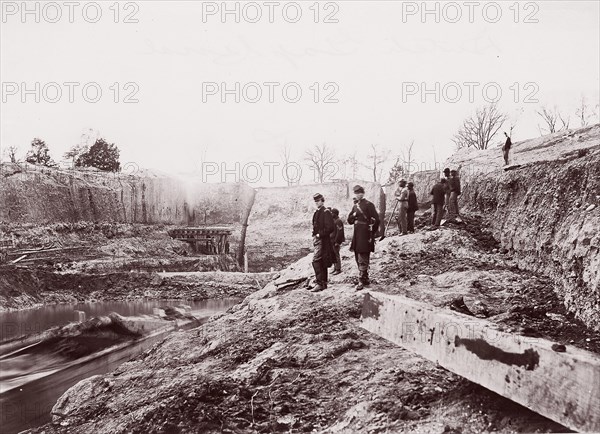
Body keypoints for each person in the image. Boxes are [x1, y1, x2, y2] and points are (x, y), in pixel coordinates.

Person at [347, 185, 380, 291]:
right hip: (357, 234)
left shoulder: (369, 205)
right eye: (356, 193)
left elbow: (377, 219)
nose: (358, 195)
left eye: (360, 193)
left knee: (363, 256)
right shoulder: (355, 206)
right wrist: (354, 215)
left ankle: (361, 279)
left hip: (365, 234)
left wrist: (372, 232)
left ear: (363, 193)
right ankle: (365, 278)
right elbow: (349, 220)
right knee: (357, 255)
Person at [310, 193, 334, 292]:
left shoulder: (326, 212)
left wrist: (320, 234)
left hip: (323, 241)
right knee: (321, 261)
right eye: (315, 201)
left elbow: (330, 228)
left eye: (318, 201)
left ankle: (320, 283)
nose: (317, 203)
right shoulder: (317, 212)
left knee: (316, 260)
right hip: (318, 240)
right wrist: (314, 234)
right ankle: (322, 283)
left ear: (322, 200)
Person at [330, 208, 344, 275]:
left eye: (332, 213)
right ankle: (335, 268)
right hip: (332, 240)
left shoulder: (338, 221)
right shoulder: (334, 220)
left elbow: (339, 232)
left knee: (336, 255)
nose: (331, 214)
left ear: (335, 214)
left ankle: (338, 269)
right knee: (333, 254)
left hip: (335, 241)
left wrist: (337, 242)